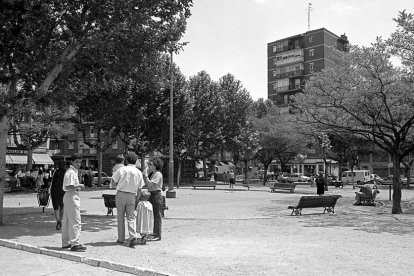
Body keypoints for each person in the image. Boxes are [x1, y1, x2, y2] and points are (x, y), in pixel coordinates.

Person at [112, 152, 145, 248]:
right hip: (132, 195)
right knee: (131, 217)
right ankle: (132, 236)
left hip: (121, 194)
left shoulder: (122, 169)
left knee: (120, 217)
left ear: (126, 160)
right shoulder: (139, 172)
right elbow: (140, 189)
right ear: (136, 161)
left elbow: (113, 182)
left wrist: (118, 186)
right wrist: (137, 200)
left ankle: (121, 238)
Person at [61, 154, 86, 252]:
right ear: (72, 162)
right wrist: (79, 185)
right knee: (75, 221)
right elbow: (68, 186)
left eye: (80, 162)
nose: (79, 164)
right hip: (71, 196)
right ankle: (75, 243)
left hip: (69, 196)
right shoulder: (71, 172)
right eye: (77, 162)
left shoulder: (71, 172)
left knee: (67, 221)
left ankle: (66, 242)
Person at [143, 157, 164, 241]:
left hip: (156, 195)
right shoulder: (152, 174)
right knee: (152, 215)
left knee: (157, 215)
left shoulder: (158, 174)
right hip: (151, 194)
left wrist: (145, 176)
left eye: (150, 164)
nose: (149, 166)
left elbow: (150, 184)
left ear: (155, 166)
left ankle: (157, 234)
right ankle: (154, 232)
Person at [50, 160, 66, 230]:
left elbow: (50, 181)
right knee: (62, 206)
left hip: (54, 191)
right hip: (62, 191)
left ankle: (58, 221)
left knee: (56, 207)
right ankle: (61, 220)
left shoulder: (55, 172)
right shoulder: (66, 173)